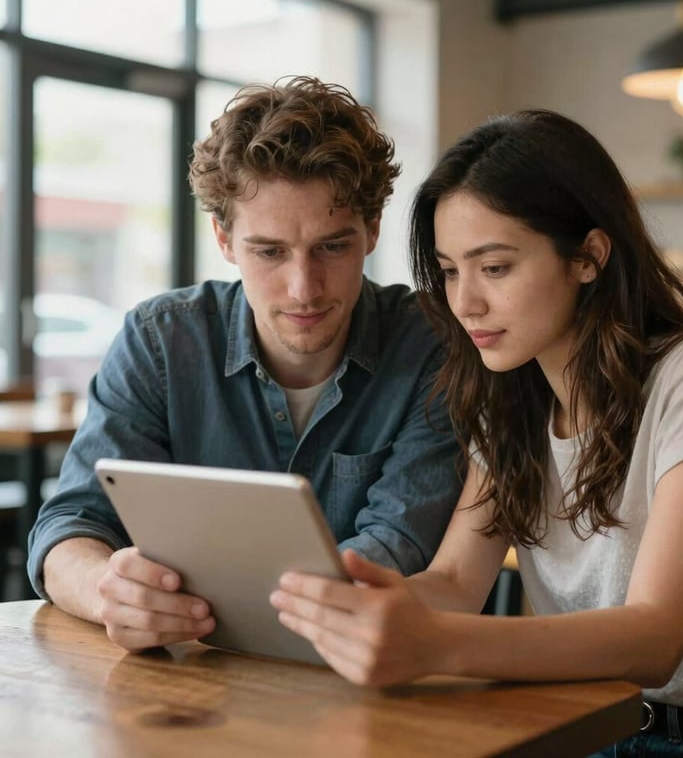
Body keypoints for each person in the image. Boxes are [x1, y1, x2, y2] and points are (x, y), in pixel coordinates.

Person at [270, 110, 683, 757]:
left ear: (588, 256)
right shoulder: (508, 398)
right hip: (579, 725)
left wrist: (438, 642)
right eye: (450, 270)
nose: (465, 302)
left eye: (495, 268)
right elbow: (454, 581)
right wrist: (363, 603)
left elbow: (655, 639)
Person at [28, 76, 463, 653]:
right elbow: (71, 526)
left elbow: (400, 547)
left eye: (332, 247)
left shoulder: (431, 345)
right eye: (269, 251)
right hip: (190, 691)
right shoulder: (161, 341)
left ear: (373, 231)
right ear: (225, 239)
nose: (303, 288)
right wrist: (106, 590)